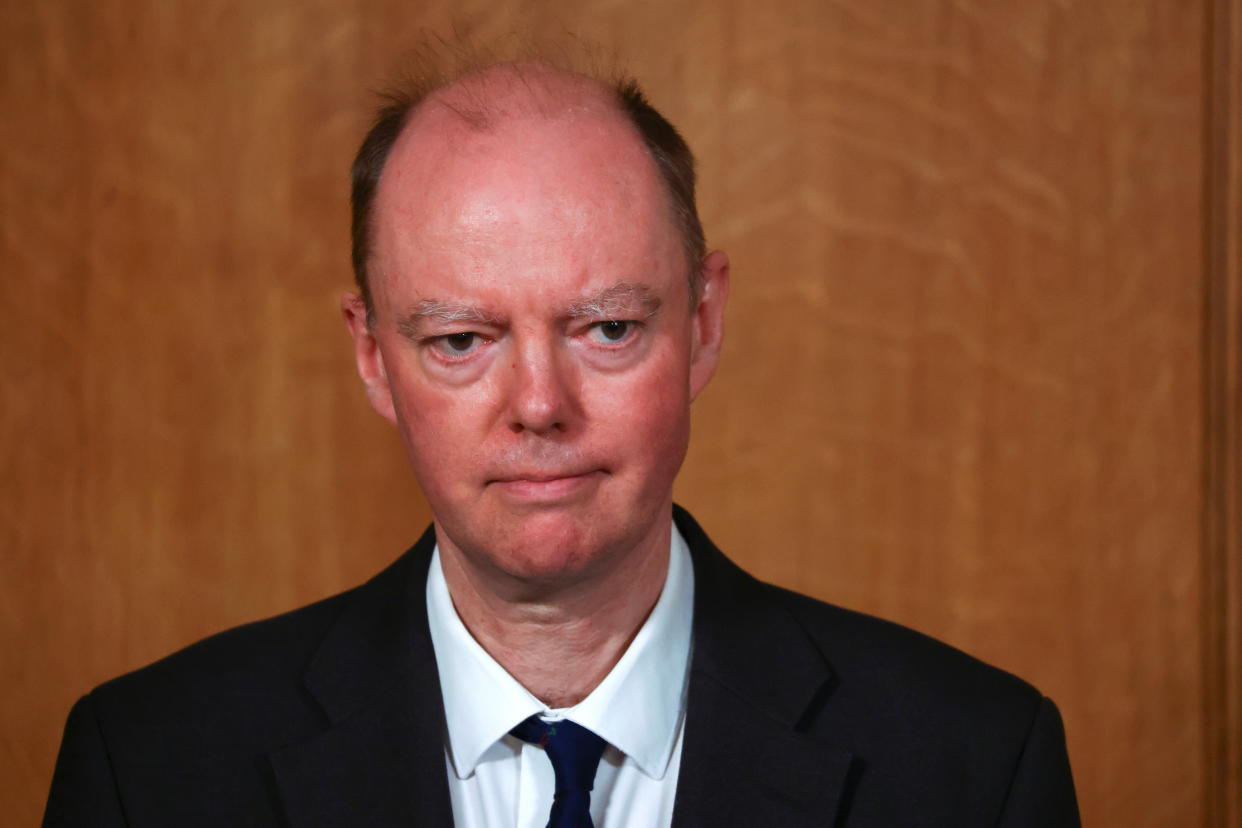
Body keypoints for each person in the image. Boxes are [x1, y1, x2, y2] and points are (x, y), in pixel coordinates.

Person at [43, 46, 1080, 828]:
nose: (539, 404)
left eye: (608, 328)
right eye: (460, 339)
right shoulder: (150, 771)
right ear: (372, 357)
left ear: (704, 324)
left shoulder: (973, 768)